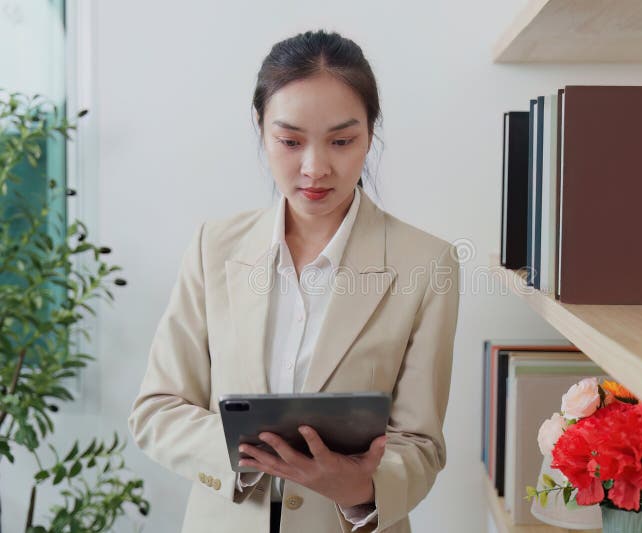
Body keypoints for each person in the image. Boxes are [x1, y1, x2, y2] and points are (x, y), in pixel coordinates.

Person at [127, 29, 460, 533]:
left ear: (371, 134)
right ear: (260, 128)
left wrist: (359, 489)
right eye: (290, 141)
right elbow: (157, 409)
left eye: (341, 141)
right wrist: (251, 457)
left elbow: (421, 443)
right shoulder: (214, 247)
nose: (314, 168)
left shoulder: (427, 264)